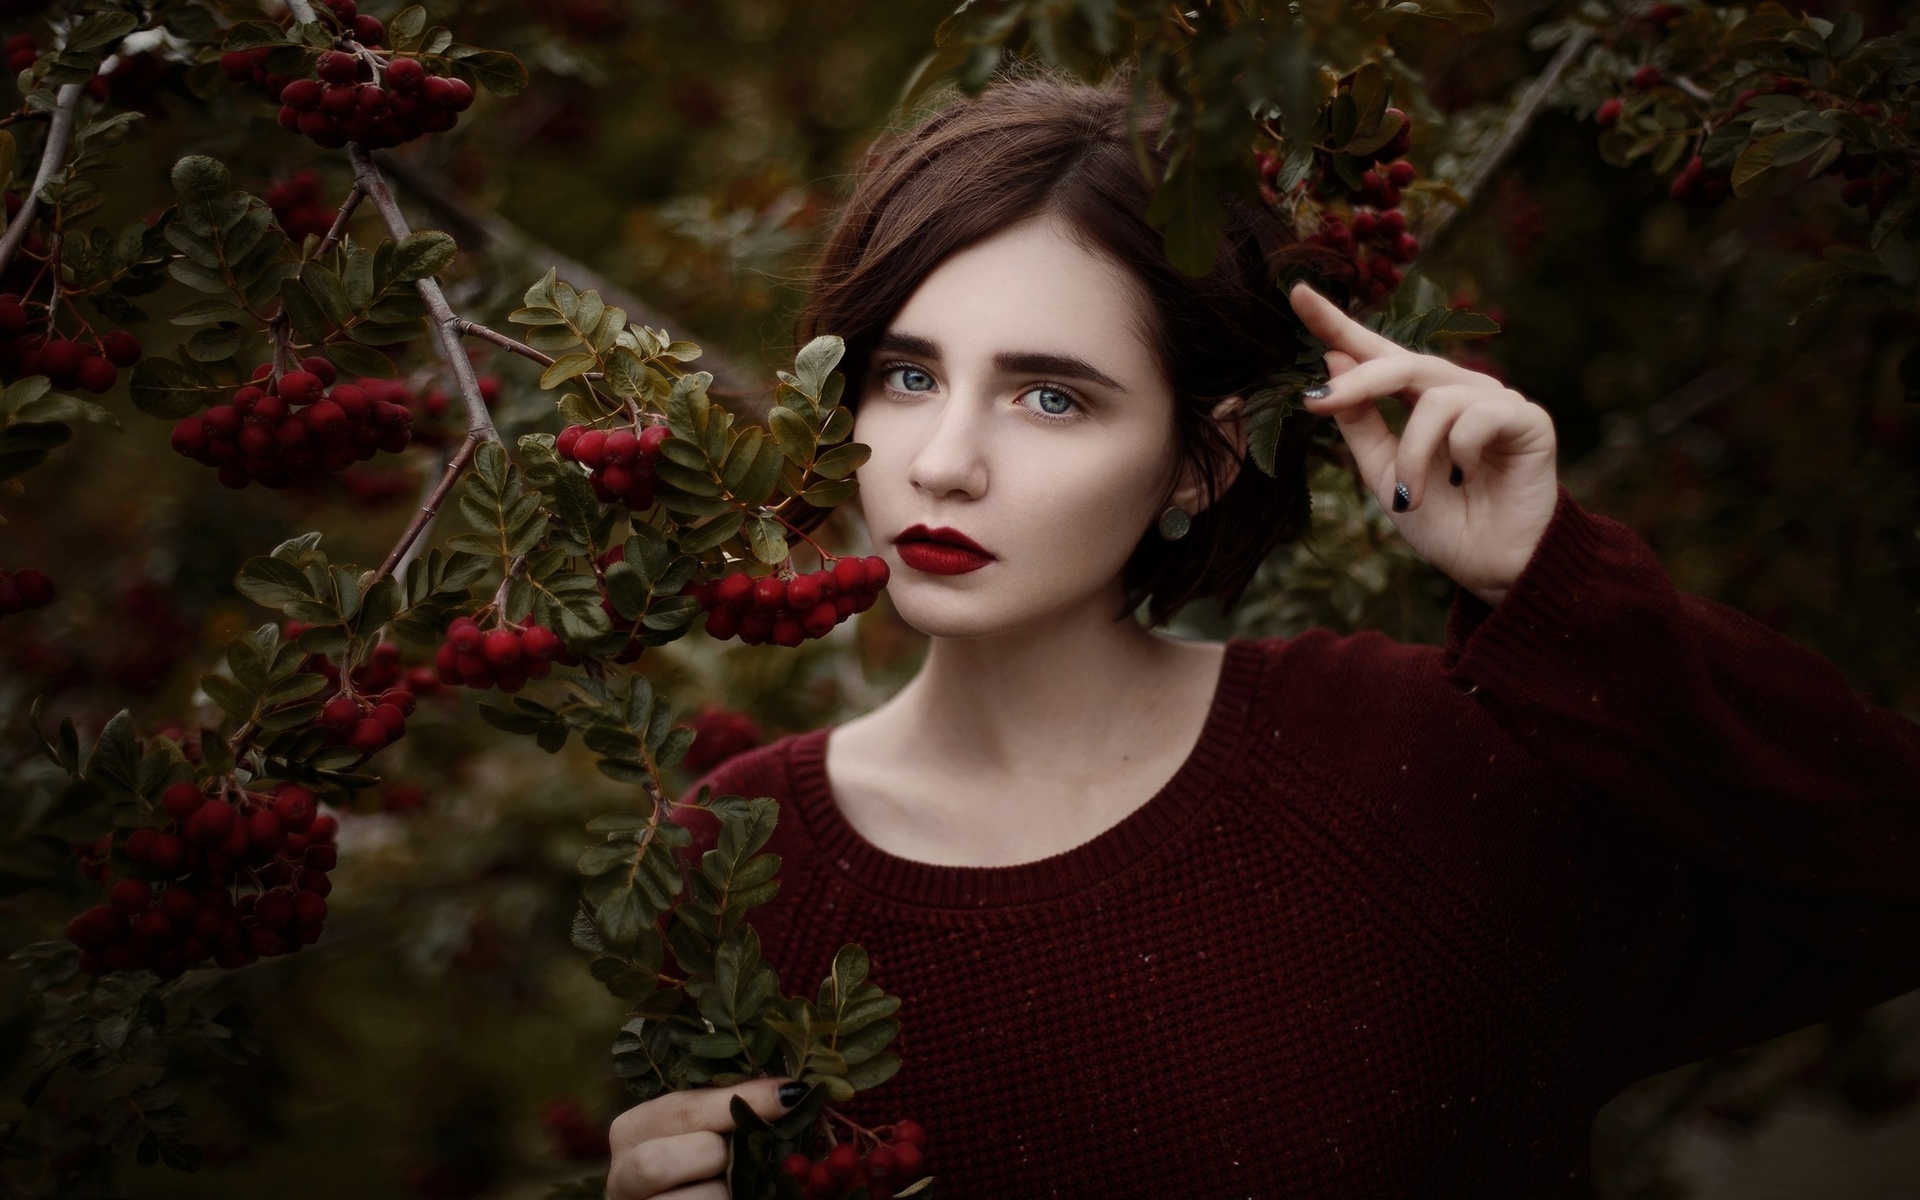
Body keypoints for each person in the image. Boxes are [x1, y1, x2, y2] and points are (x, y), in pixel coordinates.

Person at [605, 68, 1920, 1199]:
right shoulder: (736, 857)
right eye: (906, 374)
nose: (942, 463)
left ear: (1204, 462)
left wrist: (1555, 588)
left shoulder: (1411, 771)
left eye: (1051, 398)